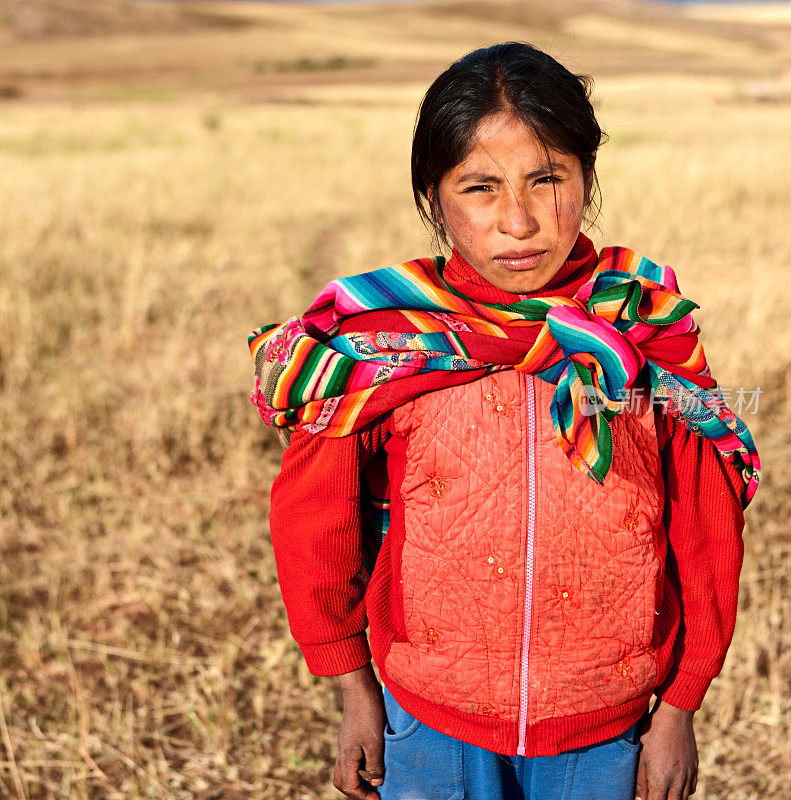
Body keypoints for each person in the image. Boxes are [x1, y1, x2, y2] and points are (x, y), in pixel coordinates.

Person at [247, 42, 760, 800]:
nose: (517, 222)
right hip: (429, 720)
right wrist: (355, 689)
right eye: (480, 187)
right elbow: (313, 521)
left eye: (546, 179)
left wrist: (680, 705)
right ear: (434, 195)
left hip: (607, 726)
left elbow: (707, 530)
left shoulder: (642, 332)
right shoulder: (386, 344)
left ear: (587, 178)